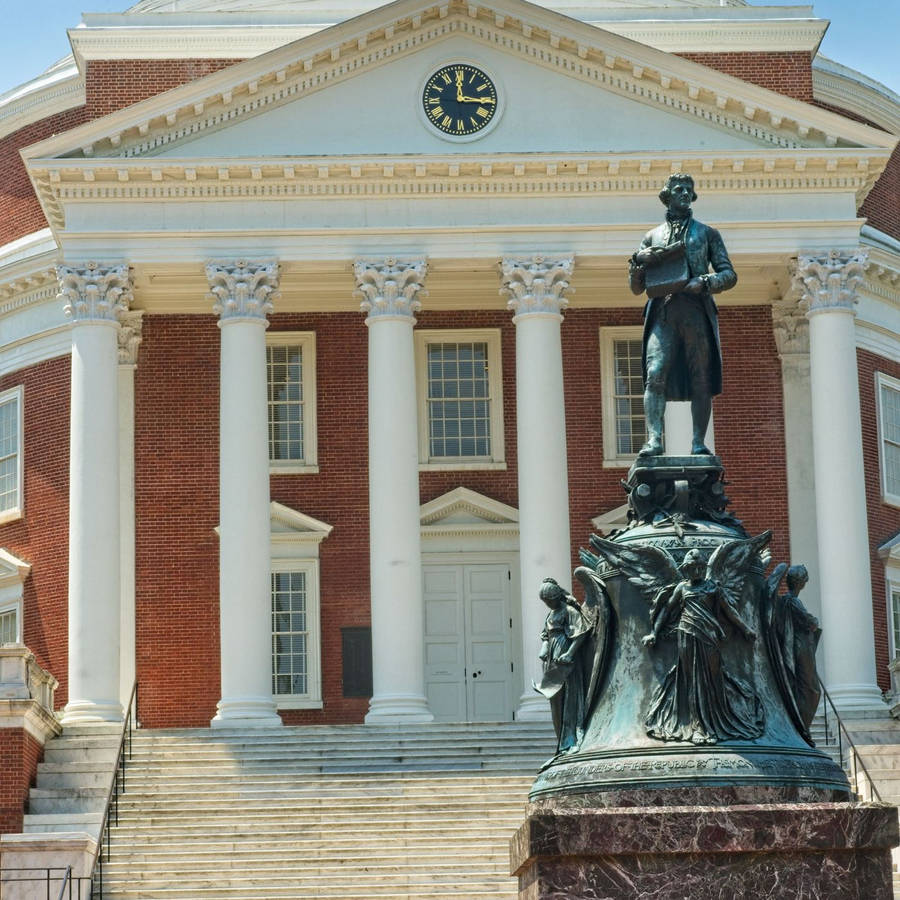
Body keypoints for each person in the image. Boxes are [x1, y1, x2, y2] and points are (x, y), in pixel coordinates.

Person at [628, 173, 737, 456]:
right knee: (654, 372)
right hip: (663, 312)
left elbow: (729, 274)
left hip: (695, 310)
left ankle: (698, 442)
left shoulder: (707, 233)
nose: (685, 193)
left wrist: (705, 282)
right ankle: (654, 440)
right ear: (667, 195)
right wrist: (639, 263)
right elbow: (636, 288)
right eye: (679, 189)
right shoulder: (652, 236)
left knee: (700, 376)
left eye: (689, 189)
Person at [642, 549, 763, 744]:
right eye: (691, 568)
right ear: (686, 569)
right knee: (693, 682)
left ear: (703, 568)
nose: (695, 571)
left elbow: (729, 611)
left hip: (709, 636)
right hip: (687, 635)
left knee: (713, 680)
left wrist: (745, 629)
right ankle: (698, 727)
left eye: (699, 567)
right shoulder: (681, 588)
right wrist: (654, 632)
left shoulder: (713, 588)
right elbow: (666, 610)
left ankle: (714, 724)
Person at [764, 564, 821, 746]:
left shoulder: (783, 602)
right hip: (800, 648)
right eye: (805, 579)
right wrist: (813, 621)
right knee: (811, 689)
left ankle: (799, 725)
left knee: (800, 688)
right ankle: (801, 726)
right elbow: (809, 622)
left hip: (794, 648)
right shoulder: (793, 602)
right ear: (801, 583)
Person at [534, 578, 592, 754]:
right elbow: (546, 634)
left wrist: (569, 654)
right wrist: (544, 648)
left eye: (549, 601)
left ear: (557, 596)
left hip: (566, 660)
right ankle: (561, 742)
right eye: (545, 602)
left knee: (570, 699)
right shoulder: (551, 614)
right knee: (555, 700)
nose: (548, 605)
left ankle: (571, 740)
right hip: (552, 659)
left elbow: (581, 633)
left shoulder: (569, 611)